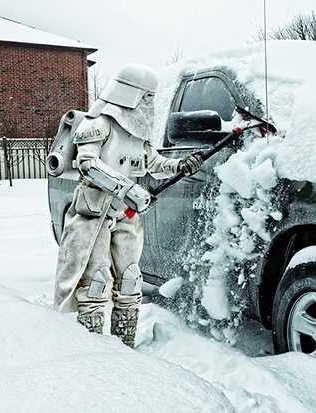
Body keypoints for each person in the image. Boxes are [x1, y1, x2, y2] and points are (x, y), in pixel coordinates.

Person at [53, 64, 202, 347]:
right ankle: (92, 348)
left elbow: (152, 162)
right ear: (131, 93)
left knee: (131, 280)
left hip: (126, 214)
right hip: (94, 213)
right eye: (147, 97)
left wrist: (179, 165)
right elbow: (88, 165)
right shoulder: (97, 123)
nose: (149, 104)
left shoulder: (137, 132)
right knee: (95, 283)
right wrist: (128, 189)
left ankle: (125, 350)